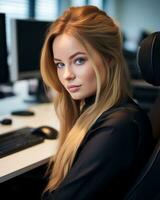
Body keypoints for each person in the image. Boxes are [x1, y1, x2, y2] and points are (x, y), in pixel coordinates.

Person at [40, 5, 154, 200]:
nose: (66, 75)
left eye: (79, 60)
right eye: (60, 64)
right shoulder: (99, 112)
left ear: (108, 58)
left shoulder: (117, 127)